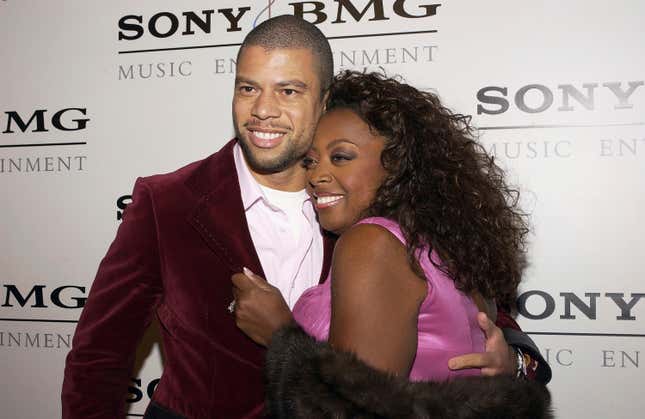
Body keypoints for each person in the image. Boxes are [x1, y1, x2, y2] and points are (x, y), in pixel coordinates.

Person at [62, 15, 549, 419]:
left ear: (324, 99)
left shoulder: (371, 206)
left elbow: (479, 311)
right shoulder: (167, 201)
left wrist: (517, 361)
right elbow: (98, 356)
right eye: (248, 88)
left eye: (289, 91)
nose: (263, 111)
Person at [232, 71, 552, 417]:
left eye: (340, 157)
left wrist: (280, 333)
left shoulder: (371, 243)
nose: (315, 175)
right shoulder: (443, 246)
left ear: (397, 164)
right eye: (310, 161)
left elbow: (349, 411)